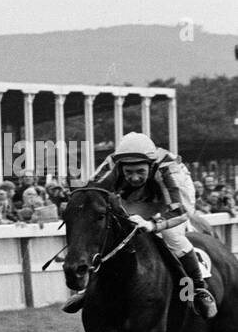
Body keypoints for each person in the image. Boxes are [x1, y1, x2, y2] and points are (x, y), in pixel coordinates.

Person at [63, 132, 216, 318]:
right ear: (121, 167)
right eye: (129, 172)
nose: (134, 177)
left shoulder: (168, 169)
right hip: (138, 197)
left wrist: (152, 225)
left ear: (151, 166)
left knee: (172, 236)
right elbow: (92, 192)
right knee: (115, 233)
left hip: (173, 200)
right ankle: (91, 288)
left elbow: (181, 211)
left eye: (140, 171)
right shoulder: (112, 164)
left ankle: (200, 288)